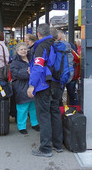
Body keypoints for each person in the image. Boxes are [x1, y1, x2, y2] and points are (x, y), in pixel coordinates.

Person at [27, 23, 63, 157]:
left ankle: (46, 148)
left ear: (38, 34)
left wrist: (31, 85)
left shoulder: (41, 46)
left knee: (44, 116)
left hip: (44, 86)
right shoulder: (54, 43)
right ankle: (58, 145)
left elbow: (38, 67)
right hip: (56, 84)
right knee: (54, 113)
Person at [10, 42, 39, 134]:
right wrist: (27, 72)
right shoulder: (14, 62)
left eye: (25, 49)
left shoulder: (31, 59)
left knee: (33, 106)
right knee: (22, 108)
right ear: (17, 51)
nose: (23, 51)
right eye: (21, 49)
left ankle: (35, 123)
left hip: (32, 86)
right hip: (21, 87)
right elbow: (15, 74)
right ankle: (21, 126)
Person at [57, 30, 79, 105]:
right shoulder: (71, 46)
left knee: (59, 97)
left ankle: (61, 112)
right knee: (73, 95)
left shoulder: (56, 46)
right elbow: (77, 58)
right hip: (71, 74)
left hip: (60, 75)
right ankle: (74, 112)